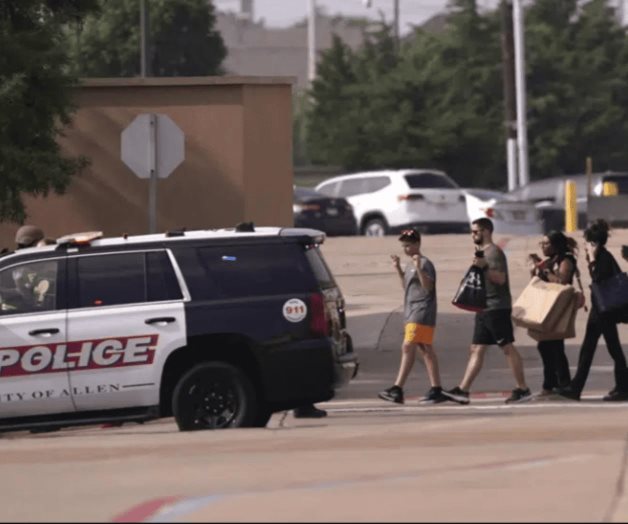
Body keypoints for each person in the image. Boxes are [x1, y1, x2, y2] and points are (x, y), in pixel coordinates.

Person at [443, 217, 532, 405]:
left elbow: (500, 278)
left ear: (486, 231)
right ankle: (463, 390)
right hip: (484, 308)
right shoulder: (483, 253)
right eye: (472, 231)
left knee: (507, 347)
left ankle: (523, 388)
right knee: (476, 348)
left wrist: (484, 268)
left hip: (497, 307)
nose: (472, 235)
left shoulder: (494, 253)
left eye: (476, 231)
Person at [556, 219, 628, 401]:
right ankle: (576, 388)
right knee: (589, 348)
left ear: (593, 243)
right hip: (600, 310)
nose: (585, 245)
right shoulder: (603, 256)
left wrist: (593, 258)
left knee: (612, 350)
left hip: (605, 311)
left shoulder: (602, 257)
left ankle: (622, 388)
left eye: (587, 242)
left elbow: (599, 280)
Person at [378, 227, 448, 405]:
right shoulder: (410, 264)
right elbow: (408, 287)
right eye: (404, 246)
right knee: (425, 350)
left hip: (421, 311)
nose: (406, 249)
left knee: (408, 346)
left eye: (409, 245)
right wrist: (399, 270)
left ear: (418, 244)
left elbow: (428, 287)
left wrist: (418, 269)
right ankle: (436, 388)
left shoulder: (424, 263)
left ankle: (397, 388)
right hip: (411, 311)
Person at [527, 231, 579, 397]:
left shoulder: (566, 260)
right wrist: (535, 270)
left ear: (556, 245)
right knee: (545, 345)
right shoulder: (549, 261)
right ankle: (552, 384)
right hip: (547, 307)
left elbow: (562, 282)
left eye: (546, 243)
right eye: (541, 244)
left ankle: (561, 384)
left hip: (558, 308)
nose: (543, 246)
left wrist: (546, 270)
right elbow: (538, 282)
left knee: (555, 346)